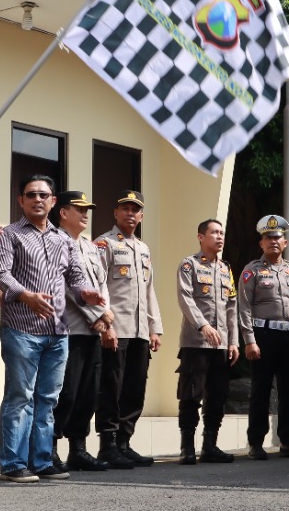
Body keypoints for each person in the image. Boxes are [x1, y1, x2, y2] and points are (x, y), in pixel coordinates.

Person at [0, 175, 103, 484]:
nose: (37, 199)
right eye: (31, 194)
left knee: (48, 399)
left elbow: (75, 276)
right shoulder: (10, 235)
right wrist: (26, 296)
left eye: (43, 195)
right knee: (20, 396)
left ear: (53, 202)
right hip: (21, 329)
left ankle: (41, 460)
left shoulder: (63, 239)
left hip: (58, 332)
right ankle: (13, 463)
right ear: (21, 200)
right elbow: (1, 274)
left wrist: (86, 293)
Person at [236, 214, 289, 459]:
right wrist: (250, 341)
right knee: (260, 390)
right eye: (268, 238)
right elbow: (244, 308)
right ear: (261, 243)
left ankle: (288, 441)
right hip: (263, 336)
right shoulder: (252, 271)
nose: (273, 241)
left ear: (285, 242)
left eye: (277, 237)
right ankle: (255, 443)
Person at [94, 190, 162, 469]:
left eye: (135, 210)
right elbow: (97, 286)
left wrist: (154, 327)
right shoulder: (104, 243)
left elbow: (149, 290)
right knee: (111, 387)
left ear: (142, 216)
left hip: (140, 331)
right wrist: (104, 325)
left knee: (135, 388)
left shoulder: (143, 248)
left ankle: (124, 442)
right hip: (116, 329)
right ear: (116, 213)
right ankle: (107, 446)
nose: (130, 214)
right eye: (125, 209)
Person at [51, 190, 115, 472]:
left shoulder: (89, 247)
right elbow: (66, 287)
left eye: (87, 209)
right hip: (69, 330)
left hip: (93, 331)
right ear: (63, 212)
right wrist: (97, 316)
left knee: (88, 393)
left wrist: (105, 318)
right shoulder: (55, 241)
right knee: (65, 392)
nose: (85, 214)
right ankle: (49, 448)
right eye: (80, 209)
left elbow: (102, 286)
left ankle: (78, 449)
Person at [176, 218, 238, 464]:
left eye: (222, 232)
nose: (220, 236)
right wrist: (203, 325)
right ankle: (187, 448)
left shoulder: (226, 269)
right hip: (196, 343)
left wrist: (233, 341)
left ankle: (210, 446)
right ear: (201, 237)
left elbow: (231, 306)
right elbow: (185, 298)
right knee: (191, 396)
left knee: (218, 397)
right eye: (214, 232)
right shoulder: (189, 265)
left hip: (221, 345)